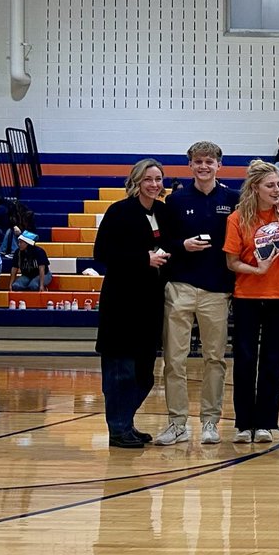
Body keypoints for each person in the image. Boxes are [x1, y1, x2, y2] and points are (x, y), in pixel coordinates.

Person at [154, 140, 238, 447]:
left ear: (219, 165)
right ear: (190, 165)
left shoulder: (233, 198)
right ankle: (177, 423)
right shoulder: (175, 200)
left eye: (209, 161)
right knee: (174, 360)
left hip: (217, 290)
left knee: (214, 359)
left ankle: (210, 422)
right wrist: (182, 246)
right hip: (180, 286)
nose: (204, 166)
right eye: (198, 161)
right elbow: (164, 242)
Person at [93, 159, 170, 448]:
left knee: (144, 375)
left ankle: (126, 422)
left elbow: (171, 245)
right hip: (121, 301)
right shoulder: (119, 211)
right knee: (120, 373)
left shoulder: (162, 211)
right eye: (148, 179)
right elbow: (102, 252)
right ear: (136, 181)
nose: (154, 184)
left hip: (151, 302)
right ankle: (118, 429)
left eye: (158, 179)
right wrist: (143, 259)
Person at [223, 159, 279, 445]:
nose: (276, 189)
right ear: (255, 188)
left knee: (273, 360)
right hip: (247, 297)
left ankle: (265, 423)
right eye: (270, 185)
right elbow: (231, 261)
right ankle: (244, 423)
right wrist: (257, 270)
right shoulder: (238, 218)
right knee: (246, 359)